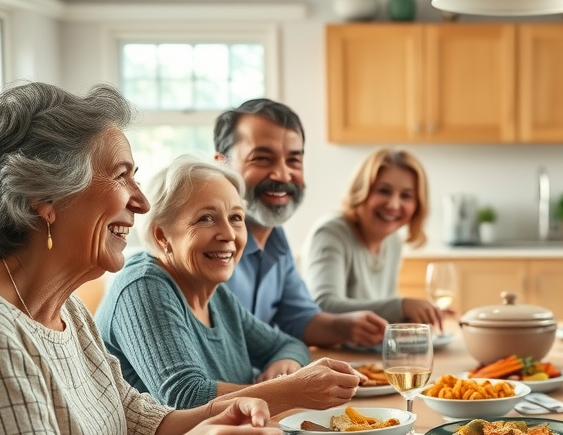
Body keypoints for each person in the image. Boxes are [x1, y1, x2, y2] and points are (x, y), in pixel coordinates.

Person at [0, 82, 284, 435]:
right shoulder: (1, 332)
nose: (142, 202)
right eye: (121, 176)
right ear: (43, 197)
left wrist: (217, 416)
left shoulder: (66, 310)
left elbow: (132, 419)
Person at [95, 156, 364, 411]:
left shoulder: (216, 295)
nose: (228, 234)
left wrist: (285, 365)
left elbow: (287, 344)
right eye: (206, 218)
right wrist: (291, 390)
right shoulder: (143, 287)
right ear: (162, 236)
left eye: (236, 218)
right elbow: (185, 398)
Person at [213, 99, 387, 348]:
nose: (283, 175)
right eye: (262, 158)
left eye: (294, 160)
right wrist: (284, 355)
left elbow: (299, 319)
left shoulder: (276, 239)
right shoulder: (209, 246)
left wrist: (348, 326)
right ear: (222, 164)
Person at [302, 148, 442, 328]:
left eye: (406, 196)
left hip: (366, 352)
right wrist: (401, 306)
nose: (393, 204)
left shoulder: (393, 242)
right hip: (330, 353)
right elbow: (323, 306)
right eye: (383, 191)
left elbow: (378, 317)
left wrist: (416, 316)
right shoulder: (331, 233)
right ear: (361, 191)